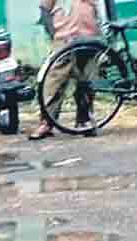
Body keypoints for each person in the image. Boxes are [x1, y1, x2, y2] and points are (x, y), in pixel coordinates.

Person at [31, 0, 101, 140]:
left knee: (86, 82)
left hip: (89, 38)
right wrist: (53, 33)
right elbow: (45, 10)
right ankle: (47, 123)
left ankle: (84, 121)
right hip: (63, 39)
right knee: (53, 82)